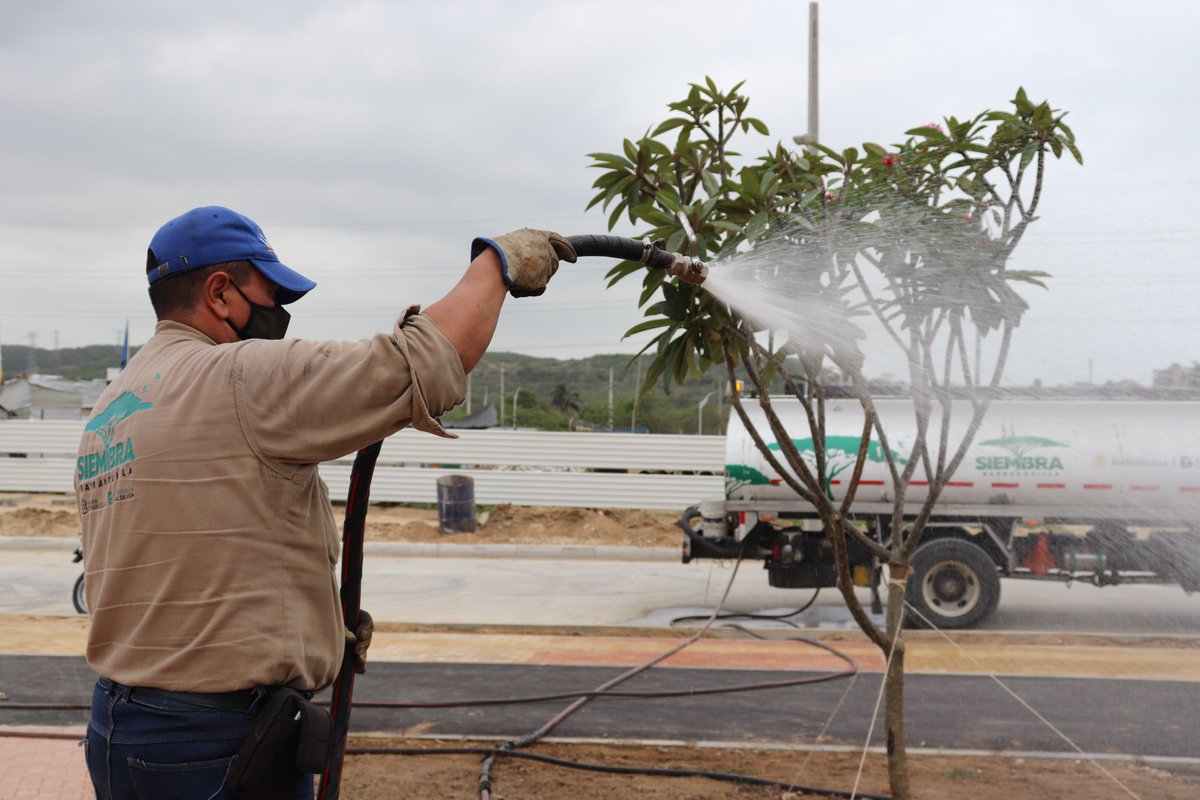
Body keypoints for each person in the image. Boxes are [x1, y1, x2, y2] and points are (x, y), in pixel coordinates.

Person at [76, 205, 576, 799]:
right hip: (213, 738)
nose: (282, 311)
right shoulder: (234, 376)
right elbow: (423, 362)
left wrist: (315, 627)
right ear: (219, 292)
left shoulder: (115, 406)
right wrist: (497, 265)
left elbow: (197, 551)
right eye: (272, 290)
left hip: (123, 729)